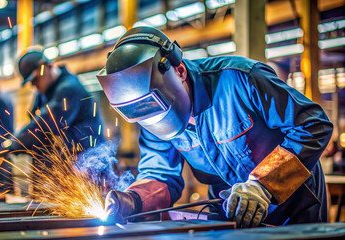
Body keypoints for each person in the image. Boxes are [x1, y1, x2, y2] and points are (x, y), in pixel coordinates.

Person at [98, 27, 333, 227]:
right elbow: (160, 175)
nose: (154, 119)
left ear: (179, 71)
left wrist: (263, 185)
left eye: (160, 106)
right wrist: (133, 200)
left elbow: (313, 124)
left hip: (295, 209)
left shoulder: (240, 80)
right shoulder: (148, 114)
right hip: (231, 214)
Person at [10, 49, 103, 154]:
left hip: (87, 159)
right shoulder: (43, 92)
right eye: (31, 81)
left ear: (47, 66)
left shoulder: (69, 88)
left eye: (35, 79)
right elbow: (34, 120)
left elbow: (45, 125)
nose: (33, 84)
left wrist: (14, 144)